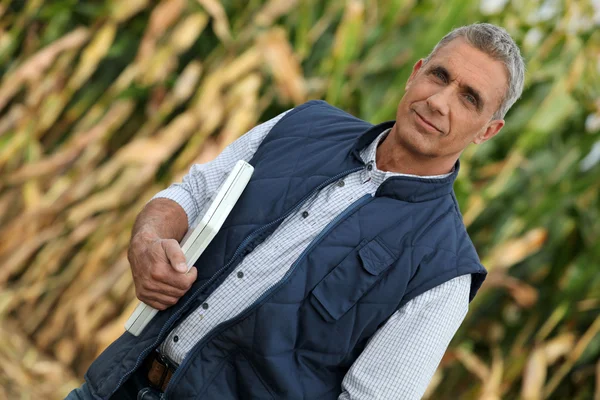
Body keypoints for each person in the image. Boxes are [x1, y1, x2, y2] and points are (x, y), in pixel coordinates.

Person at [67, 22, 525, 400]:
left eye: (469, 99)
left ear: (488, 130)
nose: (440, 101)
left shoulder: (443, 270)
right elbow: (194, 192)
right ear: (416, 72)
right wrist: (147, 241)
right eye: (440, 76)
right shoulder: (303, 124)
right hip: (114, 384)